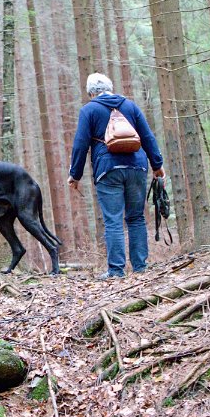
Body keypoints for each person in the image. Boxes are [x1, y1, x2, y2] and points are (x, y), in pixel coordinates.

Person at [67, 73, 165, 279]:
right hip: (137, 167)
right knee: (136, 217)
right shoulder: (130, 106)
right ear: (110, 87)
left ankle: (116, 270)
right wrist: (157, 165)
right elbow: (147, 136)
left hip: (108, 169)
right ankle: (140, 267)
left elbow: (80, 144)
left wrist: (74, 174)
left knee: (113, 220)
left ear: (91, 93)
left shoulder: (89, 110)